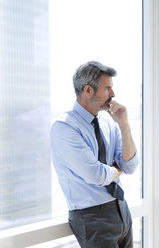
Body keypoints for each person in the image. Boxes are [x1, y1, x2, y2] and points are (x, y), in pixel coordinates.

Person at [51, 61, 139, 248]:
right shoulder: (65, 127)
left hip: (121, 209)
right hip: (92, 218)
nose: (113, 95)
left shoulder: (108, 122)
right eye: (107, 89)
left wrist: (124, 125)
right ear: (88, 91)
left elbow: (130, 165)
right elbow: (96, 175)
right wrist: (117, 170)